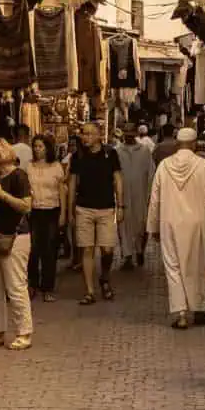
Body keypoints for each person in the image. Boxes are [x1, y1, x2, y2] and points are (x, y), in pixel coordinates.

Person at [146, 127, 205, 329]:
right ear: (195, 144)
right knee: (199, 266)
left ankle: (181, 314)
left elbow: (155, 199)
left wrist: (153, 226)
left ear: (177, 144)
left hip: (169, 222)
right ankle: (199, 309)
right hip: (197, 223)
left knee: (173, 267)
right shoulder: (203, 166)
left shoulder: (164, 166)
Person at [0, 137, 34, 350]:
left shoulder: (19, 176)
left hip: (16, 237)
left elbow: (26, 206)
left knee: (15, 286)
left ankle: (24, 332)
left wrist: (2, 195)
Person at [68, 121, 123, 304]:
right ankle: (89, 291)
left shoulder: (110, 154)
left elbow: (118, 179)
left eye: (90, 134)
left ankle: (105, 278)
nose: (86, 137)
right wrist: (70, 211)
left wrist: (120, 205)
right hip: (84, 208)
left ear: (100, 135)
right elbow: (72, 183)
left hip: (106, 208)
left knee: (107, 249)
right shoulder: (77, 157)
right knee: (87, 249)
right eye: (84, 134)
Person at [27, 133, 66, 301]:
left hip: (52, 211)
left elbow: (62, 191)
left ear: (47, 148)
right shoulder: (29, 167)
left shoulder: (56, 167)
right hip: (33, 212)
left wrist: (63, 213)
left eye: (40, 146)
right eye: (35, 146)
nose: (37, 150)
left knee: (49, 250)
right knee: (33, 250)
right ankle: (33, 285)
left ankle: (48, 288)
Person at [116, 124, 155, 269]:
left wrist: (150, 194)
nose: (129, 134)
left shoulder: (145, 151)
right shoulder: (118, 151)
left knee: (141, 224)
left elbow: (151, 173)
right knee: (124, 226)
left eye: (132, 131)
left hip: (141, 194)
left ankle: (139, 251)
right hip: (123, 195)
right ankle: (127, 256)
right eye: (127, 131)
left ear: (136, 133)